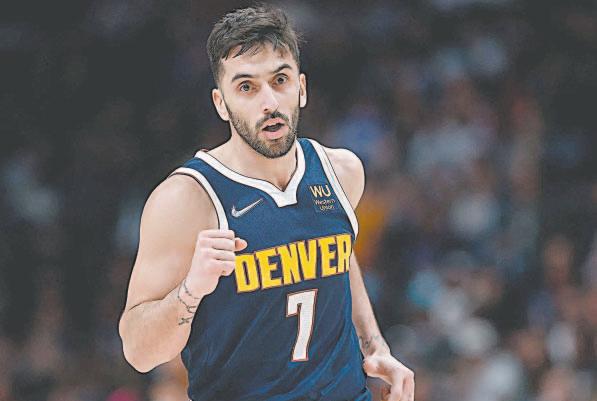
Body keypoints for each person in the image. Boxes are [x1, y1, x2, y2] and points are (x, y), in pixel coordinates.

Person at [118, 5, 414, 401]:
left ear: (301, 88)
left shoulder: (341, 171)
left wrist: (374, 345)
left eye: (280, 80)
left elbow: (340, 256)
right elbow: (138, 352)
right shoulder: (186, 199)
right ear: (221, 103)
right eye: (247, 87)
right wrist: (191, 289)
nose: (269, 102)